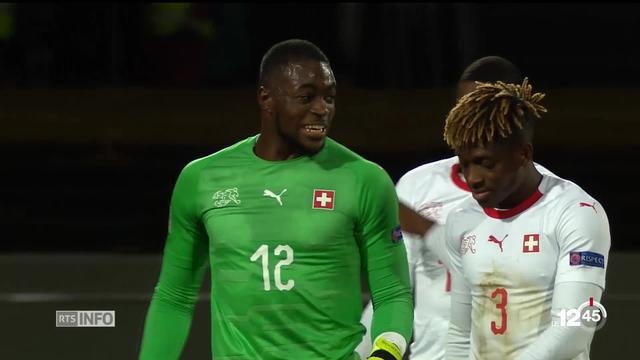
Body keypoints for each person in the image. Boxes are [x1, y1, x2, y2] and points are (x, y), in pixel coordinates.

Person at [138, 39, 413, 360]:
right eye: (306, 97)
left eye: (330, 97)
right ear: (266, 99)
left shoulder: (364, 179)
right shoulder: (202, 179)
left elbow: (393, 293)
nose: (322, 109)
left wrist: (386, 353)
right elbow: (174, 297)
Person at [356, 56, 553, 360]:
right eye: (462, 109)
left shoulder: (551, 196)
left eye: (483, 110)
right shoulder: (417, 185)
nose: (469, 121)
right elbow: (394, 291)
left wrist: (427, 229)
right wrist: (360, 351)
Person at [443, 79, 610, 359]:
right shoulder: (461, 219)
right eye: (465, 165)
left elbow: (575, 326)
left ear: (523, 153)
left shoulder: (576, 212)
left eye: (486, 163)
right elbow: (460, 333)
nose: (472, 178)